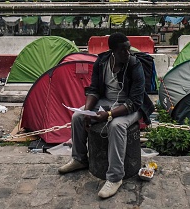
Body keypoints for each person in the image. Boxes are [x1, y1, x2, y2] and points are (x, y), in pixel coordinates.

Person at [58, 32, 155, 199]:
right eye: (123, 50)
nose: (127, 53)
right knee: (77, 117)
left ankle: (115, 177)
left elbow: (135, 102)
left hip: (130, 106)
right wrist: (88, 111)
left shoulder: (134, 65)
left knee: (116, 126)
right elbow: (94, 90)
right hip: (106, 101)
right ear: (113, 51)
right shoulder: (101, 62)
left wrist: (109, 114)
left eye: (128, 49)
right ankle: (79, 159)